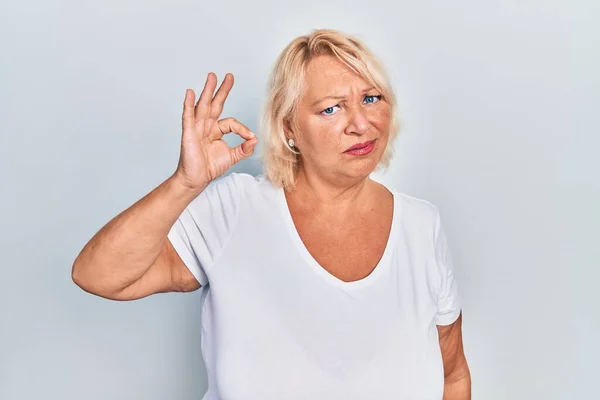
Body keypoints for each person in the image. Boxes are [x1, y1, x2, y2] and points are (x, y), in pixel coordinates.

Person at [72, 29, 471, 399]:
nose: (361, 124)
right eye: (332, 108)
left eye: (371, 99)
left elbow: (452, 375)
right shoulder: (234, 210)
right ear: (288, 128)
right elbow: (99, 275)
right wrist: (185, 183)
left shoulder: (421, 225)